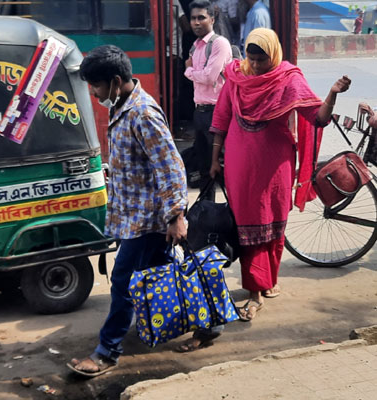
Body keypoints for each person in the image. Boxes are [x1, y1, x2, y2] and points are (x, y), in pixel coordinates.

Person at [209, 28, 351, 321]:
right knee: (249, 226)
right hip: (239, 164)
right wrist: (214, 159)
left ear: (273, 54)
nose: (257, 65)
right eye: (252, 58)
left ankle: (268, 279)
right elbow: (221, 119)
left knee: (273, 220)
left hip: (276, 165)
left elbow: (318, 118)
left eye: (262, 59)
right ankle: (255, 291)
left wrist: (332, 95)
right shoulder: (236, 77)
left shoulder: (289, 79)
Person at [66, 45, 190, 376]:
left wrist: (177, 216)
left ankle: (107, 351)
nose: (93, 93)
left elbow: (171, 167)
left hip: (149, 220)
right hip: (133, 216)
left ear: (116, 80)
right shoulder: (122, 106)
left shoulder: (142, 114)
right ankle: (208, 324)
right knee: (162, 277)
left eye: (96, 86)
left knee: (123, 281)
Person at [185, 0, 233, 202]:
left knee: (223, 167)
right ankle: (207, 216)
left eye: (201, 18)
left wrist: (188, 70)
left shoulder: (219, 44)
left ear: (212, 19)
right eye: (193, 18)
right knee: (205, 168)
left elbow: (209, 77)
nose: (196, 22)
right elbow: (202, 75)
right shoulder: (195, 47)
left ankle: (236, 215)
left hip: (217, 112)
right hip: (200, 112)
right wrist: (196, 72)